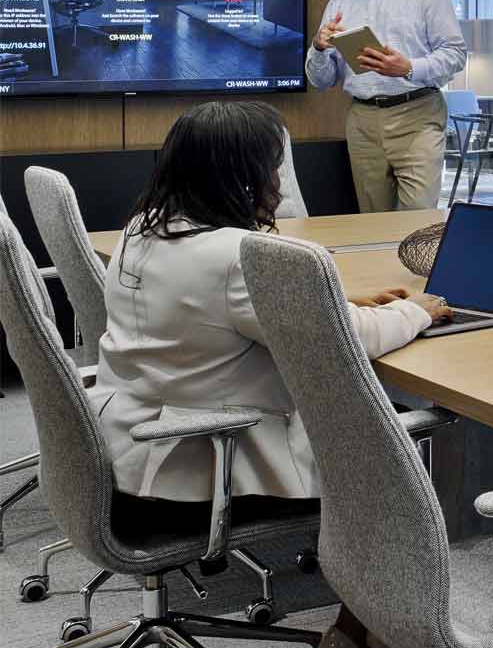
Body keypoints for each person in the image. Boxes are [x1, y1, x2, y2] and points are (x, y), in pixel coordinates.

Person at [90, 101, 452, 504]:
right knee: (385, 423)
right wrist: (415, 311)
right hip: (204, 468)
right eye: (274, 167)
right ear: (245, 177)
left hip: (126, 442)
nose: (279, 180)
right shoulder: (240, 255)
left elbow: (202, 307)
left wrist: (333, 298)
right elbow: (348, 340)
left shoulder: (143, 227)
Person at [306, 0, 467, 213]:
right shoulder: (339, 4)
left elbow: (456, 54)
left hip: (418, 115)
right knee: (372, 221)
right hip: (363, 121)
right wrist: (319, 48)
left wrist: (409, 68)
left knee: (416, 219)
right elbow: (322, 80)